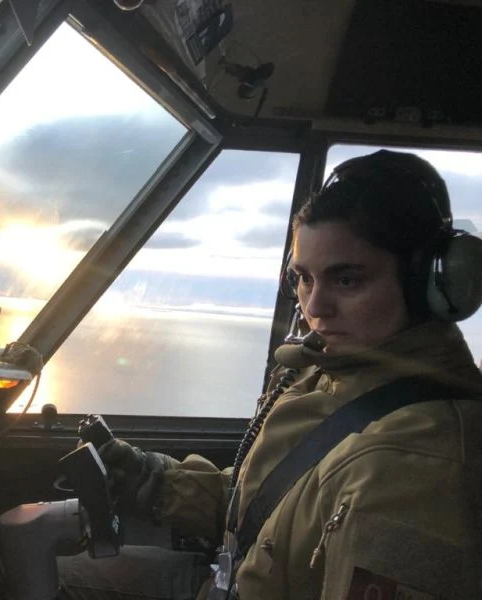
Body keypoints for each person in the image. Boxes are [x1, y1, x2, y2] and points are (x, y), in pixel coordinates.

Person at [58, 150, 482, 599]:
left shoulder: (416, 461)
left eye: (347, 280)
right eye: (303, 278)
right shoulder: (330, 376)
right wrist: (150, 478)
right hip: (228, 582)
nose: (314, 307)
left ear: (427, 287)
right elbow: (265, 511)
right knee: (52, 563)